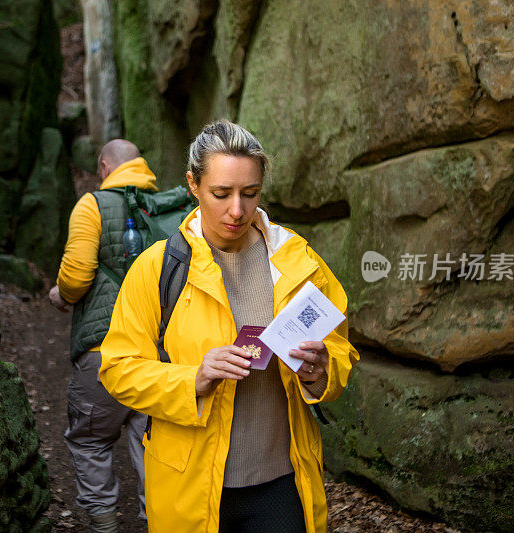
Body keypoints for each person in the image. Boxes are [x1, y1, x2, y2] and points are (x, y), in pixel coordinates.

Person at [98, 120, 360, 533]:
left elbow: (340, 350)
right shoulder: (159, 268)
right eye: (221, 194)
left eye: (250, 193)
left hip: (281, 482)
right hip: (189, 484)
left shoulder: (297, 261)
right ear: (193, 185)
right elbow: (117, 369)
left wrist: (321, 369)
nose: (236, 210)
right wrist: (193, 380)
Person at [49, 139, 155, 532]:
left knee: (91, 441)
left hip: (105, 351)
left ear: (106, 167)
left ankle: (105, 526)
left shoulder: (93, 204)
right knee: (154, 444)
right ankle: (159, 520)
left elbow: (76, 278)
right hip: (163, 355)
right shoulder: (172, 210)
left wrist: (60, 293)